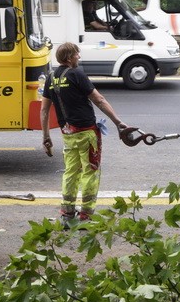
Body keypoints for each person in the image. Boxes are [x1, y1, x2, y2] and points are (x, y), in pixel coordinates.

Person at [40, 42, 129, 227]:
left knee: (71, 171)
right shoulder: (77, 74)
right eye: (76, 55)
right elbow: (99, 99)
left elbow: (44, 111)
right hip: (87, 133)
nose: (79, 57)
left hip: (68, 133)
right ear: (69, 57)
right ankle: (86, 216)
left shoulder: (51, 77)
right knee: (90, 172)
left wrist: (46, 137)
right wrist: (118, 122)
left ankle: (67, 214)